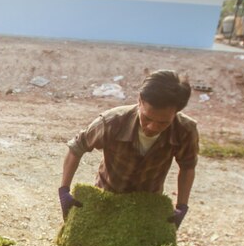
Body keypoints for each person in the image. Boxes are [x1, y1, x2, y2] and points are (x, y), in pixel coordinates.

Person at [59, 70, 198, 228]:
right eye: (147, 118)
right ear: (140, 100)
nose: (152, 127)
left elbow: (187, 166)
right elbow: (76, 148)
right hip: (107, 196)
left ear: (176, 112)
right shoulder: (111, 122)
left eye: (163, 123)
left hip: (148, 203)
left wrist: (182, 205)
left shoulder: (185, 130)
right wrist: (64, 190)